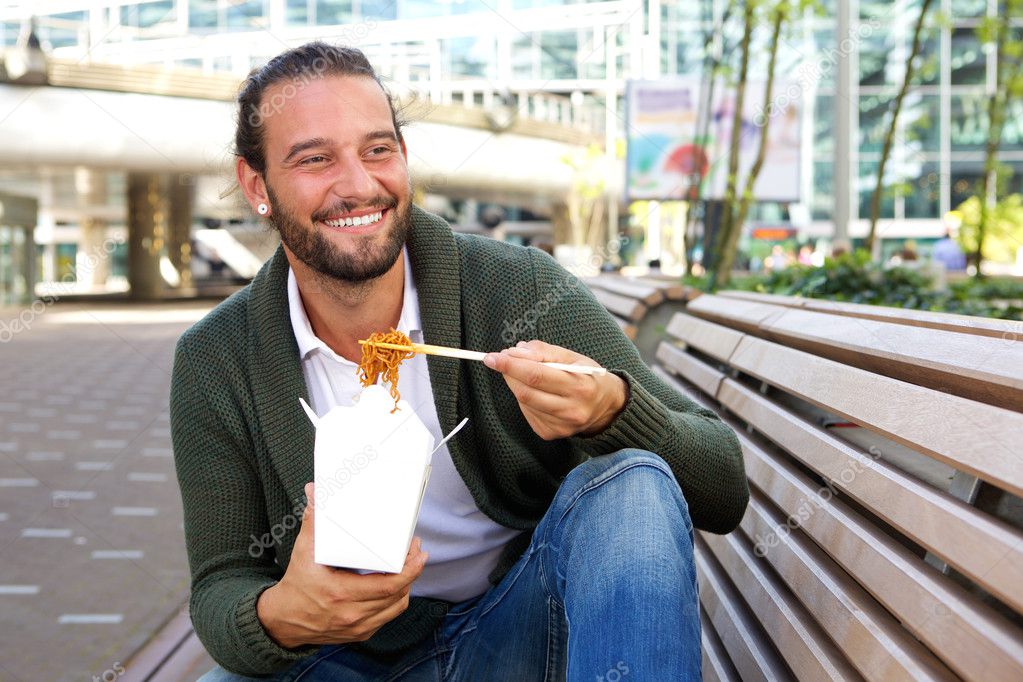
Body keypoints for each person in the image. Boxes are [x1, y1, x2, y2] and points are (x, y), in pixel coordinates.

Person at [170, 42, 748, 682]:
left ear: (404, 156)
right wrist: (282, 614)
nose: (359, 184)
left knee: (631, 483)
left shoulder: (518, 290)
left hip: (519, 636)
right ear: (257, 184)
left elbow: (722, 488)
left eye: (378, 150)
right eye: (314, 160)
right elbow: (221, 584)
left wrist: (613, 411)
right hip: (343, 663)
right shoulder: (216, 359)